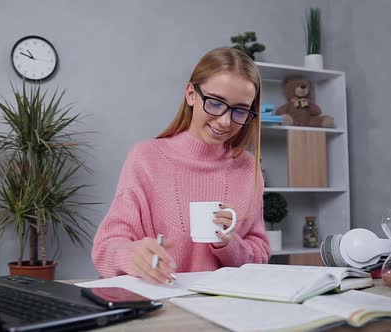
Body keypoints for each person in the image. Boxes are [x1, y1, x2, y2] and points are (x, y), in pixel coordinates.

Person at [92, 47, 270, 285]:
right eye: (216, 103)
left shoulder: (248, 168)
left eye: (240, 110)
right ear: (191, 94)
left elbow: (260, 255)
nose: (225, 121)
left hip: (229, 309)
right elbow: (106, 248)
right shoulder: (146, 158)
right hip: (163, 308)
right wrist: (132, 256)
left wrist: (229, 243)